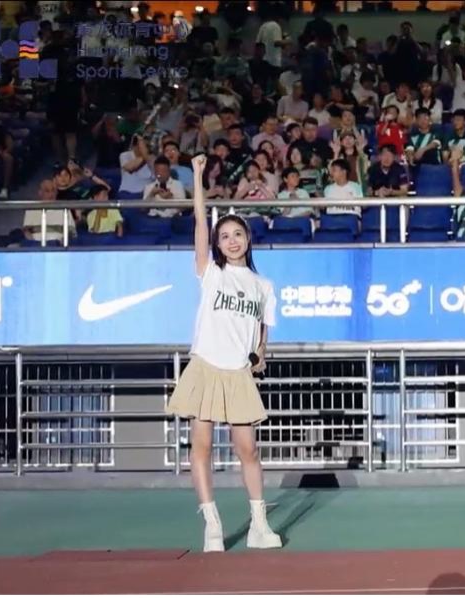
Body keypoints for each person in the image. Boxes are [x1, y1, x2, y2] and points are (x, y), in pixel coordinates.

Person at [165, 154, 282, 554]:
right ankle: (212, 525)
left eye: (238, 234)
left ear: (248, 239)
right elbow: (200, 223)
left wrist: (260, 354)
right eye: (225, 236)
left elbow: (262, 331)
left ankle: (259, 526)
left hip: (238, 374)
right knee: (201, 446)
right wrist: (198, 176)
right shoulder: (212, 273)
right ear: (217, 244)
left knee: (249, 450)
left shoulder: (263, 285)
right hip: (206, 367)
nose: (232, 240)